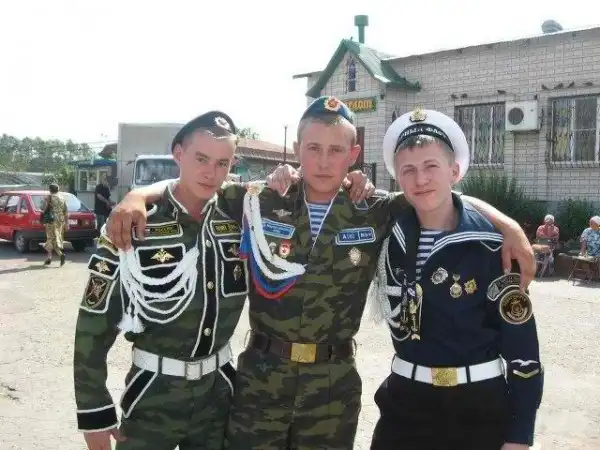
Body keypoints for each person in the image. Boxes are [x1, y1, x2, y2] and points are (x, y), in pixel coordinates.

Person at [106, 96, 535, 450]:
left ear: (353, 154)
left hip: (331, 386)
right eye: (313, 148)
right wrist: (136, 196)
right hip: (262, 381)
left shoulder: (373, 208)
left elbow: (437, 193)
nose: (324, 161)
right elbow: (197, 188)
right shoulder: (261, 199)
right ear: (298, 150)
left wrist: (508, 226)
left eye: (336, 150)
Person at [73, 111, 249, 450]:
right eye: (201, 159)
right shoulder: (132, 224)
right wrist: (94, 413)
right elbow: (93, 326)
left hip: (219, 396)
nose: (210, 172)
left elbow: (304, 182)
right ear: (178, 154)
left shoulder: (240, 216)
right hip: (152, 396)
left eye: (222, 163)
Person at [368, 109, 543, 450]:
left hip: (476, 409)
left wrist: (519, 434)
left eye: (431, 166)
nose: (421, 179)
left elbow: (523, 350)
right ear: (398, 179)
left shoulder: (493, 247)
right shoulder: (387, 234)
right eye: (408, 170)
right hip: (404, 404)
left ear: (454, 171)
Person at [41, 182, 68, 266]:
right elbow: (66, 212)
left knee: (50, 238)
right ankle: (49, 258)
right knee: (56, 238)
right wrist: (67, 223)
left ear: (50, 190)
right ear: (58, 190)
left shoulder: (48, 197)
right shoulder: (62, 198)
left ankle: (59, 255)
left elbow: (43, 209)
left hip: (51, 221)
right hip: (60, 222)